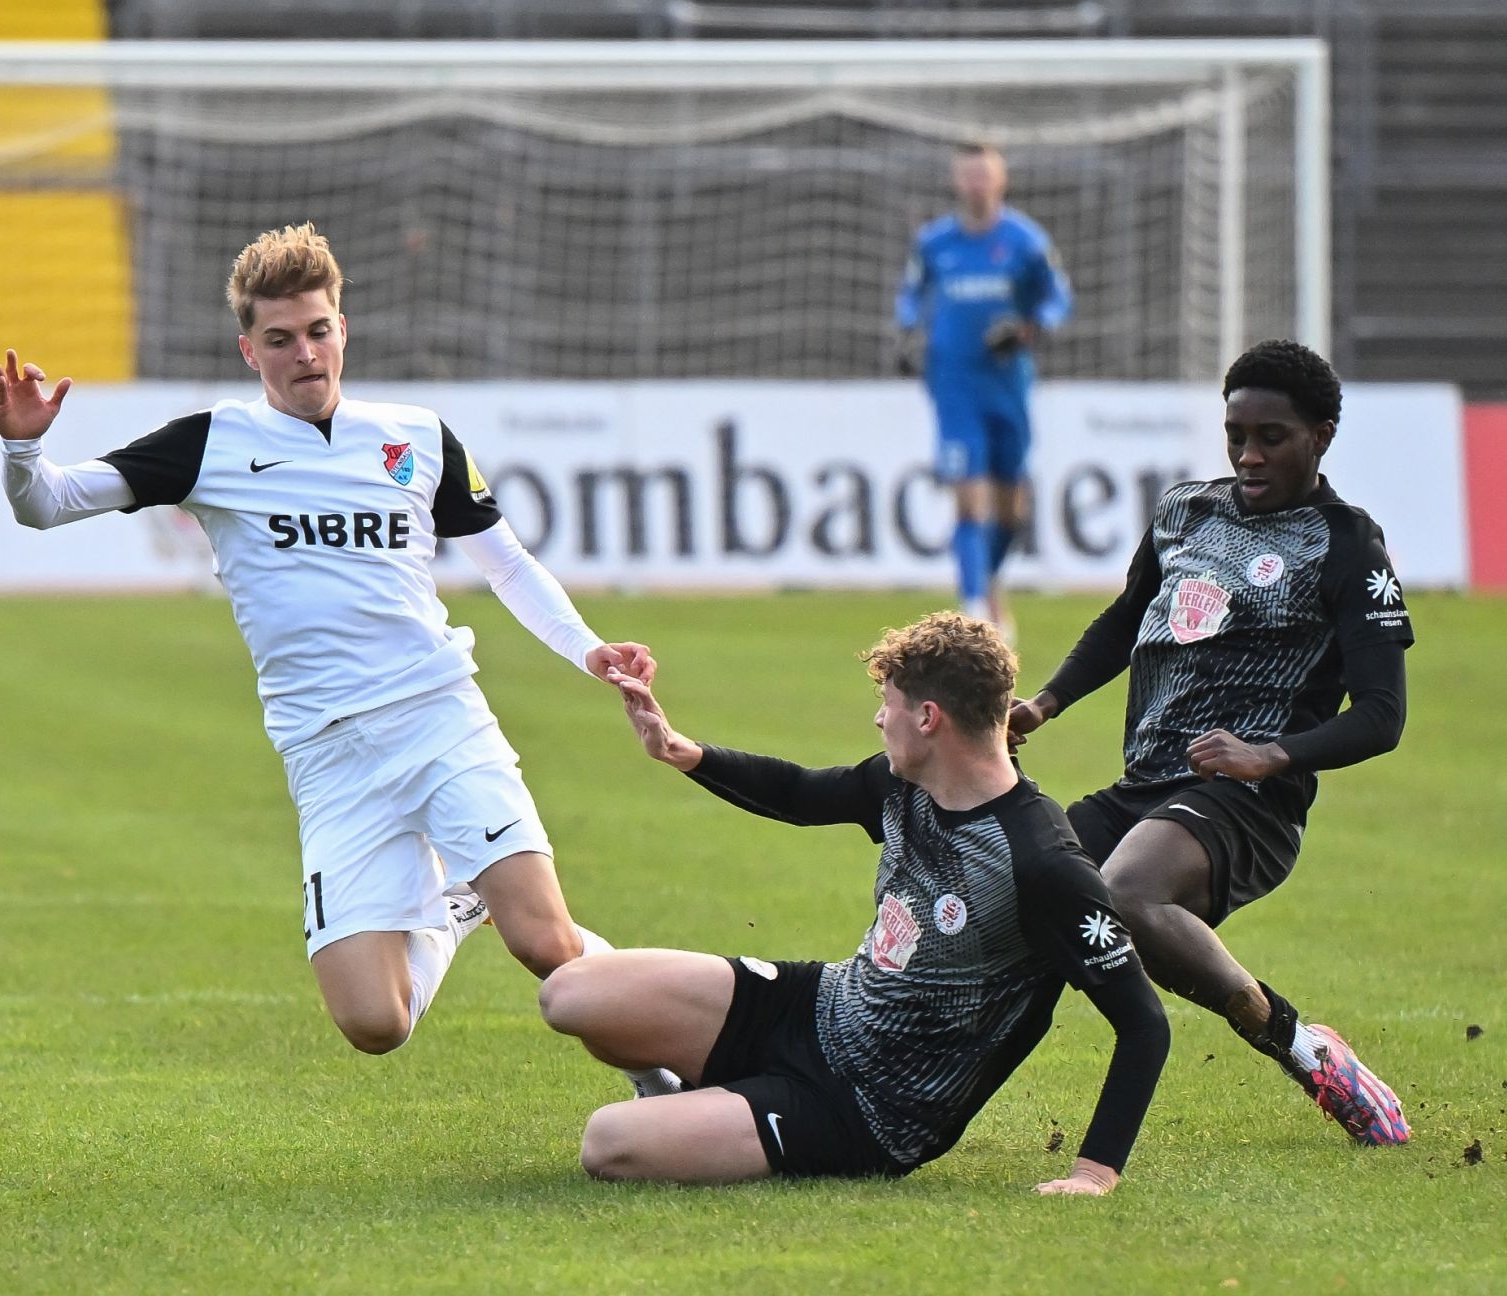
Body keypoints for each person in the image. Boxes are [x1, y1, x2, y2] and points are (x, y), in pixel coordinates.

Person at [0, 222, 678, 1095]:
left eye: (318, 331)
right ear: (250, 350)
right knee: (374, 1022)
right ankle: (457, 907)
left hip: (437, 718)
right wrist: (22, 447)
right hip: (327, 754)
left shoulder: (417, 437)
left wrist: (588, 650)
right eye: (280, 339)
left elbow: (504, 560)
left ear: (342, 331)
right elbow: (47, 505)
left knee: (545, 943)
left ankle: (671, 1062)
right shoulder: (208, 445)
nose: (304, 354)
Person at [538, 612, 1169, 1190]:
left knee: (607, 1143)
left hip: (869, 1108)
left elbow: (1143, 1023)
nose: (878, 718)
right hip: (820, 1006)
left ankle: (709, 1113)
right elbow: (800, 792)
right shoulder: (904, 782)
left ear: (928, 718)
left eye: (887, 704)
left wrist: (1094, 1173)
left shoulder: (1042, 862)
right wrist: (680, 750)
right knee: (570, 993)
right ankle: (684, 1097)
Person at [1008, 339, 1412, 1145]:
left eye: (1272, 437)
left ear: (1321, 435)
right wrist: (1044, 703)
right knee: (1019, 894)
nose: (1249, 455)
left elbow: (1381, 715)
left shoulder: (1346, 543)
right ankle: (915, 1086)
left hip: (1250, 800)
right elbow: (1127, 621)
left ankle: (1299, 1047)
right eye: (1236, 435)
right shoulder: (1186, 508)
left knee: (1124, 893)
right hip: (1145, 784)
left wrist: (1271, 754)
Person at [896, 141, 1073, 634]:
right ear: (957, 182)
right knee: (970, 498)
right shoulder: (935, 243)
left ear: (1001, 181)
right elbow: (911, 296)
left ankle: (988, 584)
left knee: (1012, 509)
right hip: (953, 384)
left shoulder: (1025, 241)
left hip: (1008, 386)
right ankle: (973, 603)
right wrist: (909, 332)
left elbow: (1058, 300)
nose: (976, 184)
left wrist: (1026, 329)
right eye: (968, 176)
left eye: (985, 175)